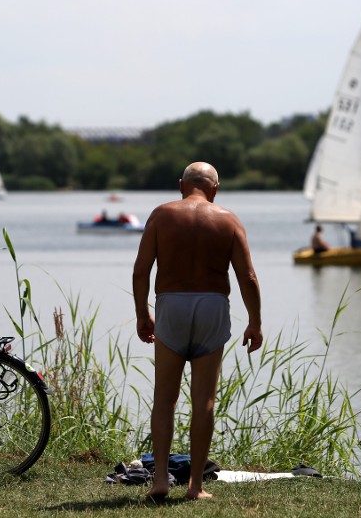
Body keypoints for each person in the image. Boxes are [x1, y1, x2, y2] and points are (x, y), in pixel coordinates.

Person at [132, 161, 262, 501]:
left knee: (165, 397)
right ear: (215, 189)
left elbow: (141, 270)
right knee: (203, 400)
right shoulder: (228, 219)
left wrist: (142, 314)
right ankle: (195, 487)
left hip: (171, 304)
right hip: (212, 305)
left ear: (181, 185)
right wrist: (255, 322)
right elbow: (247, 277)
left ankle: (160, 480)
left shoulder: (161, 215)